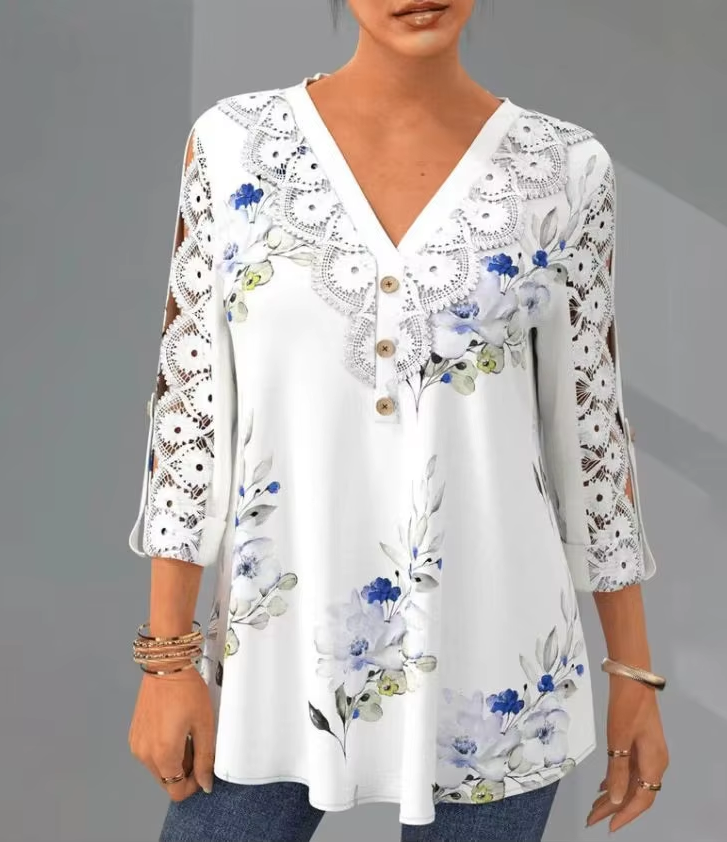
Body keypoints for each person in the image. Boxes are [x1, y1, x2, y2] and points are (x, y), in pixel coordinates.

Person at [126, 1, 670, 840]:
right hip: (272, 657)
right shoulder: (236, 145)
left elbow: (591, 435)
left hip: (499, 667)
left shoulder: (562, 168)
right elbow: (190, 415)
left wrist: (632, 673)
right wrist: (168, 662)